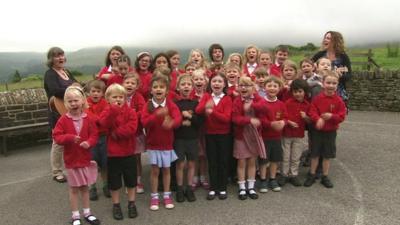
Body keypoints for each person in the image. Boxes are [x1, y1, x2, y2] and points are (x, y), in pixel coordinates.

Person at [52, 86, 100, 225]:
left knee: (85, 187)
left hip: (84, 158)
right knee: (73, 189)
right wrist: (69, 137)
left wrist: (89, 143)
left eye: (76, 100)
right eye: (70, 101)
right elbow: (57, 136)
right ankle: (75, 216)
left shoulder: (88, 118)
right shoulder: (63, 120)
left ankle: (87, 212)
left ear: (83, 101)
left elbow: (94, 134)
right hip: (71, 160)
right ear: (66, 103)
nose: (73, 104)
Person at [141, 75, 182, 211]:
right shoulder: (147, 105)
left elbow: (178, 119)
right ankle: (154, 196)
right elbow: (144, 122)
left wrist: (172, 123)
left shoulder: (171, 104)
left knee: (166, 170)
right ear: (151, 90)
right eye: (155, 87)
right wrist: (157, 115)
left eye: (161, 87)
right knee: (154, 171)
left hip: (167, 144)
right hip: (153, 145)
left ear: (166, 91)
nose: (158, 89)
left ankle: (166, 195)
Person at [99, 84, 138, 220]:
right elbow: (103, 124)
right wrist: (113, 111)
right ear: (108, 99)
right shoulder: (107, 111)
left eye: (121, 97)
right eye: (114, 97)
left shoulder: (131, 112)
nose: (118, 99)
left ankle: (131, 203)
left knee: (131, 180)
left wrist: (116, 133)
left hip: (128, 152)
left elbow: (132, 128)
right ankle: (116, 205)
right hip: (113, 154)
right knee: (114, 183)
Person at [304, 71, 346, 188]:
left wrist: (331, 116)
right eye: (328, 82)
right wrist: (318, 119)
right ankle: (312, 174)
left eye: (334, 83)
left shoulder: (339, 101)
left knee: (327, 155)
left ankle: (325, 176)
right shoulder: (317, 98)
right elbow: (312, 111)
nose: (331, 85)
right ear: (323, 83)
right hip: (317, 131)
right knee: (315, 153)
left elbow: (342, 116)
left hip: (330, 132)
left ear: (337, 85)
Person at [195, 73, 233, 200]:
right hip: (210, 134)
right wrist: (206, 104)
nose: (216, 84)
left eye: (219, 81)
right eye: (214, 81)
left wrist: (213, 112)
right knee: (212, 161)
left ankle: (222, 188)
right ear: (210, 84)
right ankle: (213, 187)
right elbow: (198, 110)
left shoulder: (227, 99)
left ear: (224, 84)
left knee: (222, 161)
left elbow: (226, 118)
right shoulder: (206, 96)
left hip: (224, 135)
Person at [44, 46, 77, 183]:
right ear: (51, 59)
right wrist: (72, 90)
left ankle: (74, 166)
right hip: (57, 111)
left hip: (70, 110)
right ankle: (57, 171)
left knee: (73, 138)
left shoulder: (66, 72)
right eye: (57, 56)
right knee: (58, 142)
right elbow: (55, 90)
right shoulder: (50, 73)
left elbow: (77, 84)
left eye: (62, 55)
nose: (60, 58)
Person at [232, 77, 267, 200]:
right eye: (241, 85)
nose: (243, 88)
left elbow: (264, 108)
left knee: (252, 161)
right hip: (241, 135)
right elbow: (235, 118)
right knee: (241, 161)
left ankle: (251, 186)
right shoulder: (237, 101)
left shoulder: (257, 99)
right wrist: (249, 119)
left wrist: (252, 105)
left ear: (253, 88)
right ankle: (242, 187)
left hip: (254, 135)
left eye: (247, 86)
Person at [174, 74, 203, 202]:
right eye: (183, 84)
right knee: (180, 164)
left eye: (188, 84)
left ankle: (190, 188)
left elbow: (200, 122)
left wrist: (190, 117)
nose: (186, 86)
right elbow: (172, 121)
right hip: (179, 139)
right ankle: (180, 188)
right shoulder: (175, 104)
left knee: (191, 163)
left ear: (192, 87)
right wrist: (181, 122)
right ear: (178, 87)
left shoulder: (196, 103)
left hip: (192, 138)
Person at [280, 79, 310, 187]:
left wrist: (305, 117)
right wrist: (288, 122)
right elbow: (282, 116)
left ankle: (293, 174)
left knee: (296, 156)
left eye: (300, 91)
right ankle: (284, 174)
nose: (297, 94)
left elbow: (310, 121)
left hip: (299, 134)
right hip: (286, 134)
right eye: (295, 91)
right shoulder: (287, 103)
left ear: (305, 92)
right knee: (285, 155)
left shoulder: (307, 105)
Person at [259, 76, 287, 193]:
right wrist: (271, 124)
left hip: (276, 137)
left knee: (275, 159)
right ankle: (263, 179)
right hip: (264, 137)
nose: (272, 88)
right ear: (264, 87)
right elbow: (261, 119)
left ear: (279, 88)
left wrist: (283, 122)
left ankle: (272, 178)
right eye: (269, 86)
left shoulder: (281, 104)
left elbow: (285, 117)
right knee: (264, 160)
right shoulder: (261, 103)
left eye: (275, 86)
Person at [85, 80, 111, 200]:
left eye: (98, 91)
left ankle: (106, 185)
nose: (95, 94)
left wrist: (97, 119)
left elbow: (105, 119)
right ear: (88, 93)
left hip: (104, 137)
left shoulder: (106, 104)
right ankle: (92, 187)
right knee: (92, 164)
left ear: (103, 93)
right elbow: (89, 118)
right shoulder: (85, 104)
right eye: (93, 91)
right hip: (91, 138)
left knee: (105, 164)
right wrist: (99, 119)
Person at [122, 73, 147, 194]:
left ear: (137, 86)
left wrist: (130, 116)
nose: (130, 85)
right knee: (126, 160)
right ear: (123, 84)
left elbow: (142, 112)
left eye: (133, 83)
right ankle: (129, 182)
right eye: (127, 83)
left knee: (136, 159)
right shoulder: (120, 96)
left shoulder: (139, 97)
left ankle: (138, 181)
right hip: (123, 135)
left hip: (136, 134)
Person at [312, 31, 352, 106]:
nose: (325, 40)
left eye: (328, 38)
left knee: (337, 115)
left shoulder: (343, 56)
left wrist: (339, 76)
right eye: (325, 38)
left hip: (337, 91)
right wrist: (314, 69)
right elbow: (308, 67)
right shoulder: (319, 54)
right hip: (320, 90)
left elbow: (349, 75)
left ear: (335, 41)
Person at [190, 69, 210, 190]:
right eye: (196, 79)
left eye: (201, 79)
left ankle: (203, 177)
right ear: (192, 81)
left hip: (206, 128)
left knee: (204, 155)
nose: (199, 81)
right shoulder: (191, 95)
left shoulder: (208, 95)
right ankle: (195, 178)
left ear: (205, 81)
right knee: (195, 155)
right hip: (194, 129)